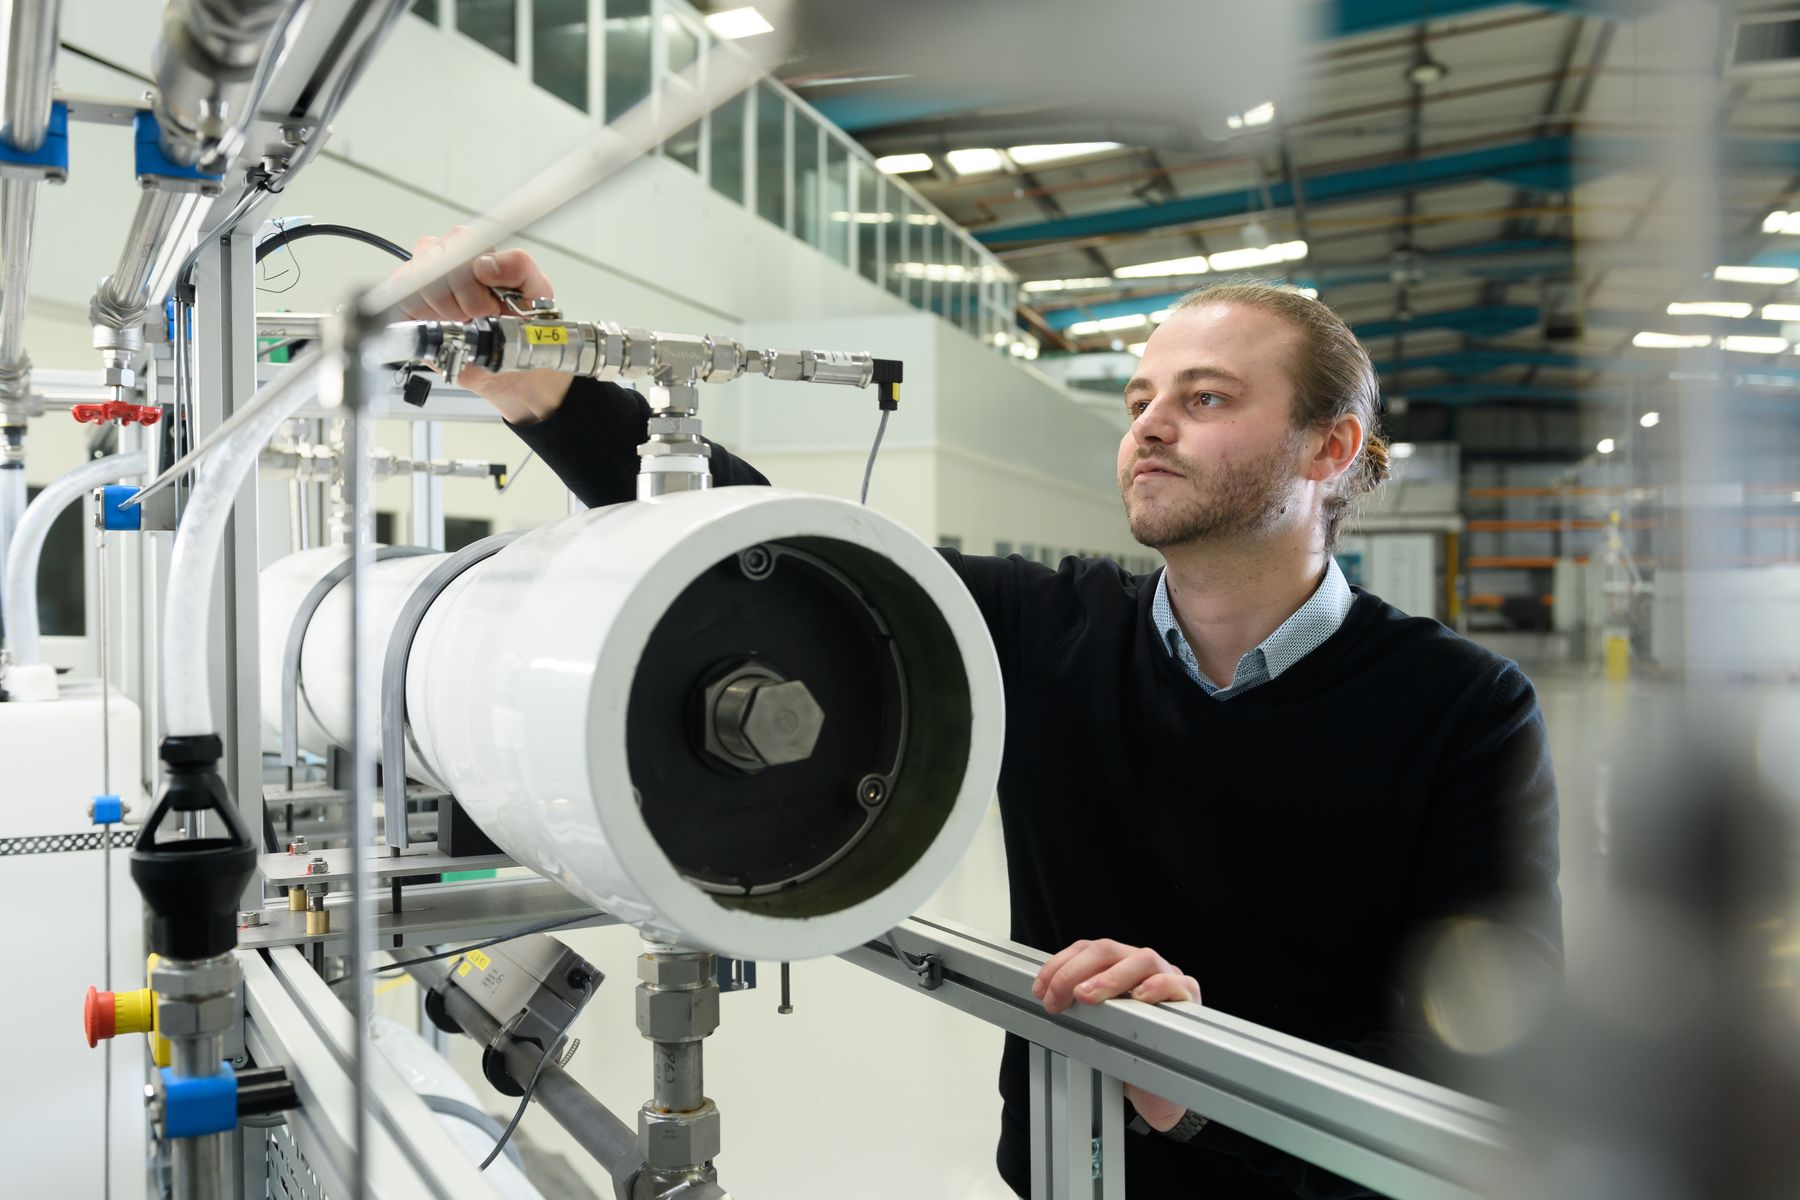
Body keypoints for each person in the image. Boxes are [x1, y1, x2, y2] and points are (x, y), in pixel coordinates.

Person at [391, 234, 1562, 1198]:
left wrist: (1211, 1079)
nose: (1149, 424)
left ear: (1332, 446)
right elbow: (771, 550)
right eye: (1142, 396)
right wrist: (545, 390)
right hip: (1065, 1165)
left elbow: (1494, 1057)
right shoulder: (1043, 631)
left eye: (1205, 399)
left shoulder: (1462, 707)